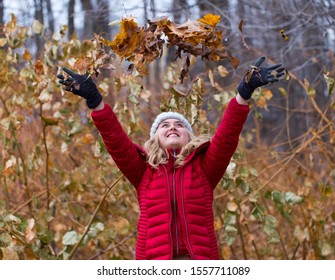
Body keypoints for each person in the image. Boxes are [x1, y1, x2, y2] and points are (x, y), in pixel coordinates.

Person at [57, 57, 285, 260]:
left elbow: (226, 139)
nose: (172, 127)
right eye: (164, 125)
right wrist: (95, 101)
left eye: (179, 125)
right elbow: (115, 141)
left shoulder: (204, 168)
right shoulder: (143, 170)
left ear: (189, 137)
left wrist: (243, 94)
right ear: (156, 138)